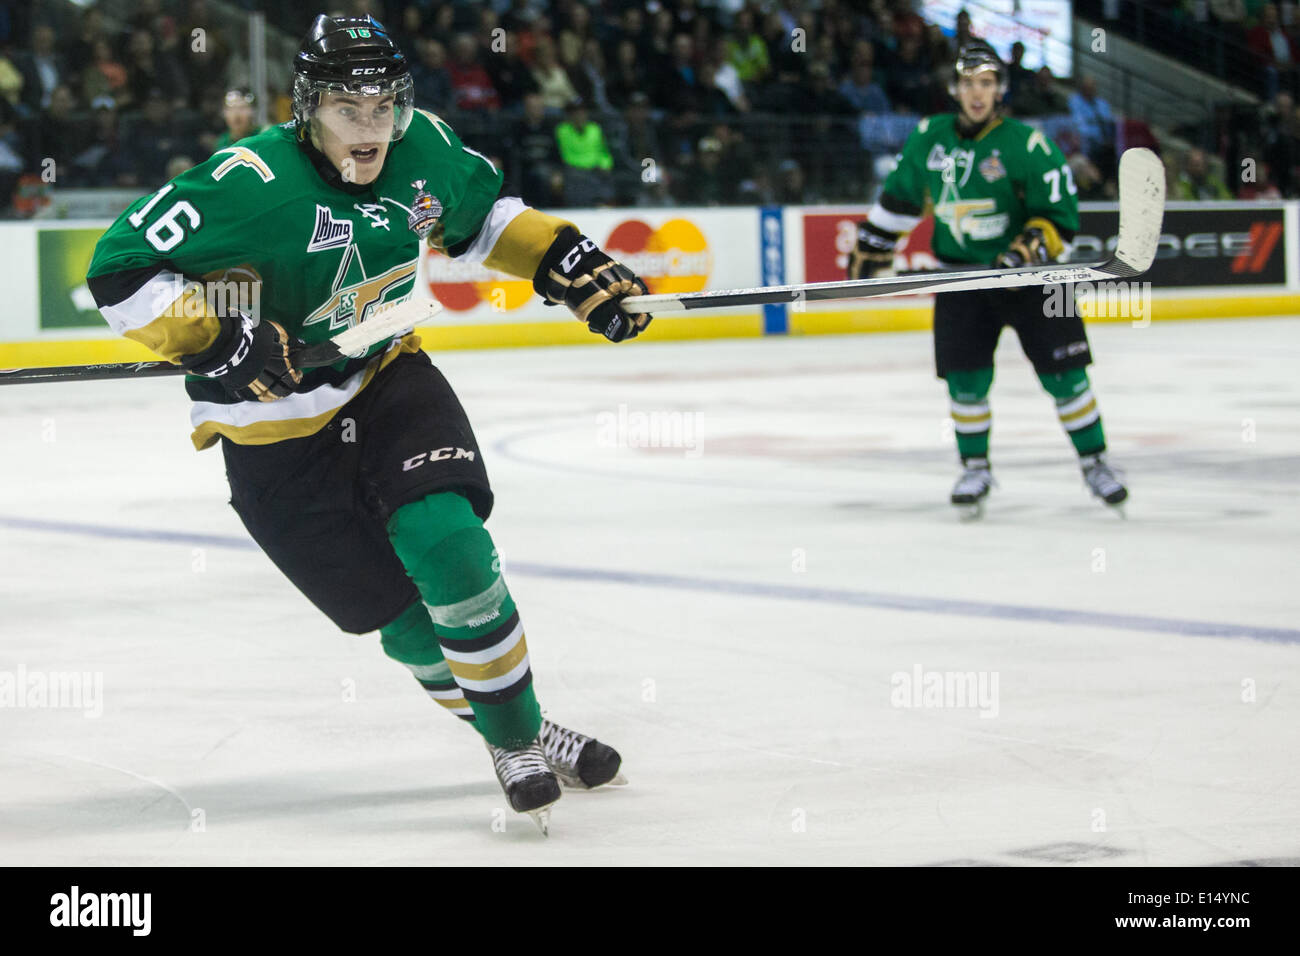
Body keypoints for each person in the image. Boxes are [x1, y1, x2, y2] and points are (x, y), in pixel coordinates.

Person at [85, 15, 651, 832]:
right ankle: (523, 729)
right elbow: (119, 269)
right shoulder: (247, 180)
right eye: (350, 108)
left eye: (385, 104)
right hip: (269, 435)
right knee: (408, 627)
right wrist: (220, 338)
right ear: (309, 106)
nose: (373, 126)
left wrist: (564, 259)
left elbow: (485, 216)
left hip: (385, 380)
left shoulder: (423, 146)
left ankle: (515, 738)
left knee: (446, 539)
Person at [847, 41, 1128, 516]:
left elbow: (1059, 218)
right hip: (962, 280)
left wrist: (1025, 251)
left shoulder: (1028, 146)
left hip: (1034, 280)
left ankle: (1095, 463)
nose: (977, 93)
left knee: (1066, 376)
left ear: (999, 89)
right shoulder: (929, 138)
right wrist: (871, 246)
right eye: (968, 84)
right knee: (965, 380)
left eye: (987, 83)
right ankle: (975, 467)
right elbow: (900, 199)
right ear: (955, 88)